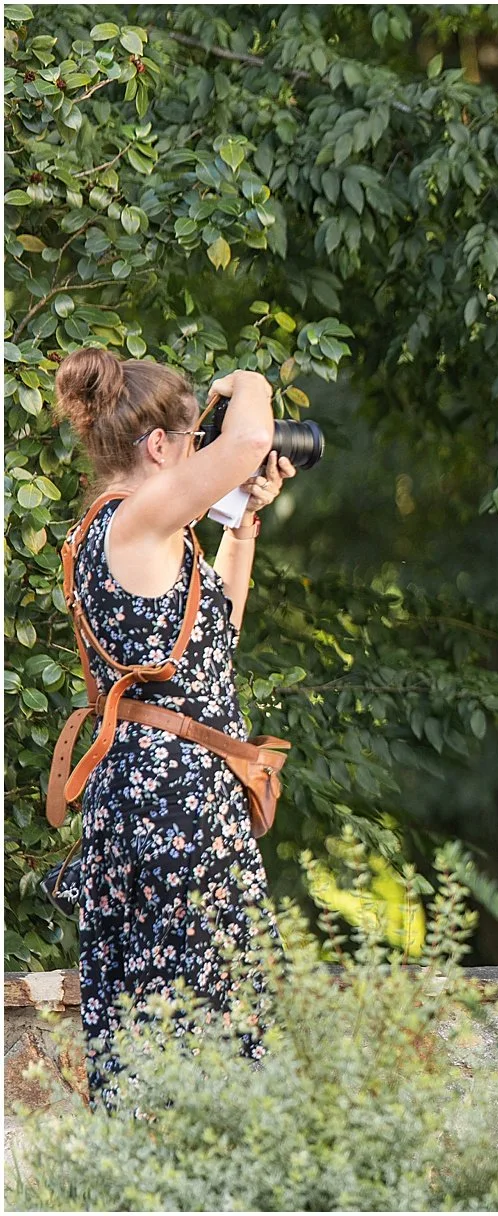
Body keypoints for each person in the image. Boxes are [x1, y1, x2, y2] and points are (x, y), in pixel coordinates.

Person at [52, 348, 296, 1104]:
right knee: (209, 1027)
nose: (204, 459)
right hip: (176, 807)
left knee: (172, 1022)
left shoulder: (145, 539)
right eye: (195, 441)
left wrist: (245, 522)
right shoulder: (130, 520)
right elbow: (251, 440)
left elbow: (212, 643)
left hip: (165, 794)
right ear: (158, 446)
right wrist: (249, 385)